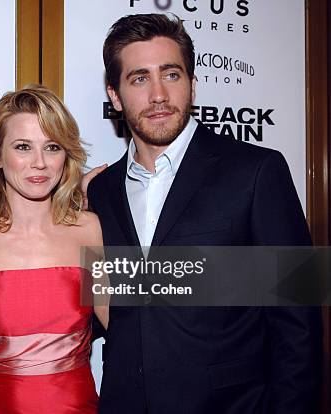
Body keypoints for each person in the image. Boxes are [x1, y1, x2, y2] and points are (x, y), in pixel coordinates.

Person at [86, 13, 322, 413]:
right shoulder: (101, 193)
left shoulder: (257, 171)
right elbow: (111, 311)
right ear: (115, 95)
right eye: (139, 78)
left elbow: (299, 318)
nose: (158, 94)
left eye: (171, 75)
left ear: (193, 84)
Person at [0, 85, 106, 413]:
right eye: (23, 147)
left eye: (52, 147)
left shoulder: (92, 230)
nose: (39, 163)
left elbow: (133, 326)